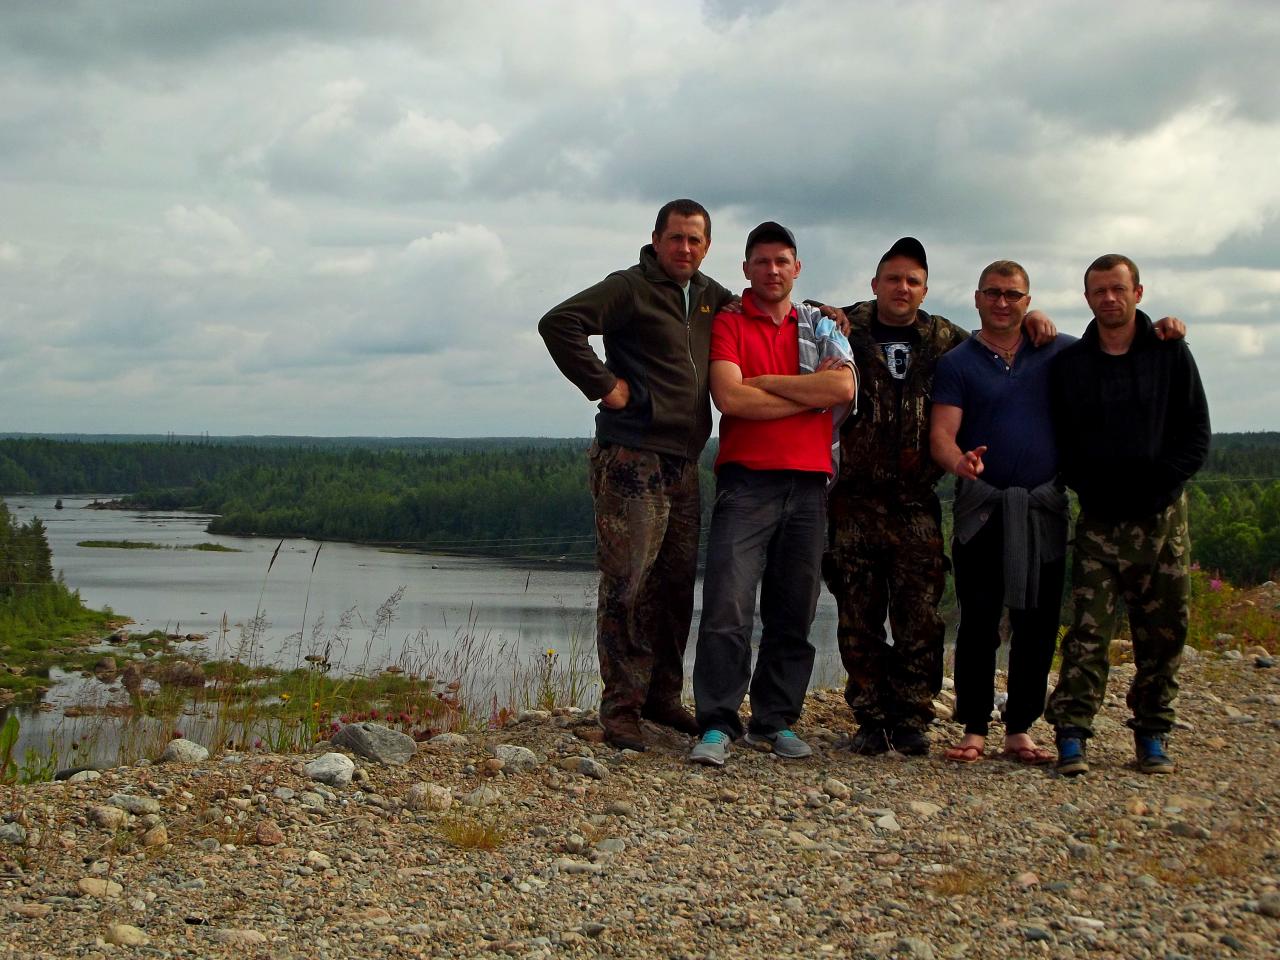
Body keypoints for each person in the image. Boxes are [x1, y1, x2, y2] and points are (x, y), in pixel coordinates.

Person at [538, 199, 734, 751]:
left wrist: (826, 313)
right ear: (656, 238)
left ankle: (662, 698)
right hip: (634, 457)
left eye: (695, 240)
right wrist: (605, 386)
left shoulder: (710, 297)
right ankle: (621, 708)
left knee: (674, 586)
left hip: (684, 461)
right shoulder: (629, 287)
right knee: (628, 586)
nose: (685, 248)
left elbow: (761, 305)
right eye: (676, 238)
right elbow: (559, 323)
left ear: (707, 246)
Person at [688, 222, 855, 766]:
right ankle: (717, 723)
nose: (772, 270)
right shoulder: (730, 322)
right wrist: (809, 397)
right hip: (747, 482)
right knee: (727, 608)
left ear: (797, 268)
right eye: (762, 261)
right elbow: (731, 400)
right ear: (746, 269)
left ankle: (774, 720)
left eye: (782, 261)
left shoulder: (820, 325)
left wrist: (765, 383)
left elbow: (843, 387)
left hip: (808, 484)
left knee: (793, 611)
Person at [1045, 254, 1209, 776]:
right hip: (1099, 520)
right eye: (1099, 290)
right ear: (1087, 298)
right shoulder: (1072, 364)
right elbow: (1061, 441)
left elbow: (1196, 433)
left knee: (1164, 631)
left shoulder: (1169, 351)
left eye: (1118, 288)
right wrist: (1090, 485)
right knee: (1088, 632)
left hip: (1162, 518)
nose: (1109, 298)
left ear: (1138, 292)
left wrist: (1159, 483)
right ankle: (1072, 733)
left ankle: (1153, 732)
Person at [929, 260, 1071, 765]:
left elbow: (1113, 350)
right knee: (979, 619)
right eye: (993, 293)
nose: (1002, 302)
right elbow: (942, 435)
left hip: (1042, 508)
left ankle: (1020, 729)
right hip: (983, 509)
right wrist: (959, 463)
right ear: (977, 298)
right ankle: (974, 727)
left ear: (1028, 301)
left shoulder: (1057, 351)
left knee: (1038, 621)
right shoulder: (957, 363)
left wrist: (1164, 332)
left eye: (1013, 295)